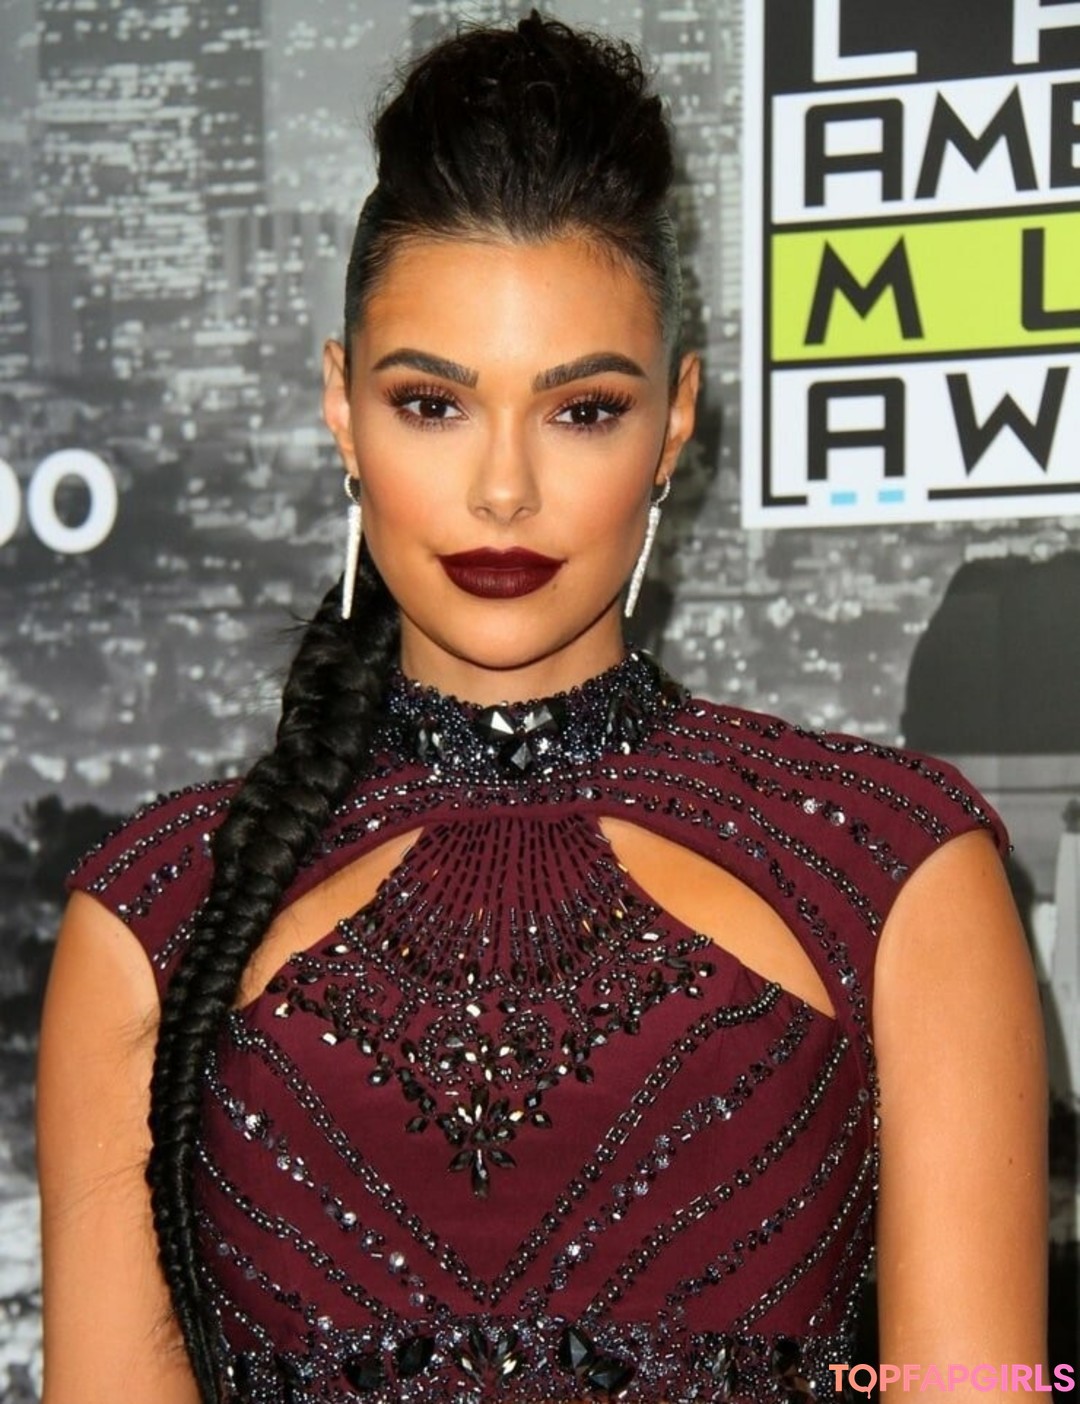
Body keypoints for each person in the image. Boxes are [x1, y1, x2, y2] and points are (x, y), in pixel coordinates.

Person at [36, 12, 1048, 1404]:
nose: (503, 490)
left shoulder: (896, 872)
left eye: (581, 411)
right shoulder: (148, 921)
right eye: (431, 404)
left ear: (674, 422)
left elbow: (987, 1383)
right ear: (340, 408)